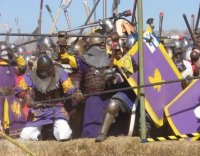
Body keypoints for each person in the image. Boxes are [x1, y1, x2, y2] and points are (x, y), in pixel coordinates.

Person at [57, 31, 126, 138]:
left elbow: (121, 73)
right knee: (91, 131)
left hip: (109, 98)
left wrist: (113, 78)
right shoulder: (83, 60)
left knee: (110, 130)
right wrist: (62, 45)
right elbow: (66, 59)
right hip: (92, 100)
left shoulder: (110, 59)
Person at [15, 53, 84, 141]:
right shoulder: (32, 75)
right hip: (39, 110)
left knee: (64, 134)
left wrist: (76, 92)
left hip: (57, 108)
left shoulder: (60, 72)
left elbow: (68, 88)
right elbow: (18, 89)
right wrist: (25, 97)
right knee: (26, 136)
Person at [0, 41, 27, 136]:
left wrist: (15, 54)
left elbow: (23, 66)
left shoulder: (12, 64)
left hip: (12, 98)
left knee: (16, 126)